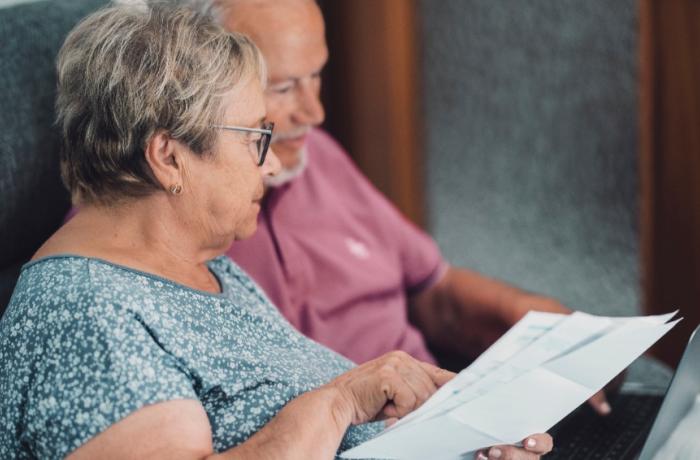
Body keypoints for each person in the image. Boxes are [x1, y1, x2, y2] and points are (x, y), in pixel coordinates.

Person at [0, 3, 551, 459]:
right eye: (254, 139)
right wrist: (340, 402)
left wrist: (452, 438)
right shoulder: (82, 313)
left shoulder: (209, 270)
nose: (269, 166)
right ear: (169, 158)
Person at [186, 0, 613, 414]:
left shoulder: (319, 155)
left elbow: (432, 291)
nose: (314, 112)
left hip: (443, 415)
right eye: (282, 88)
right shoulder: (186, 220)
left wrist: (527, 317)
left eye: (316, 76)